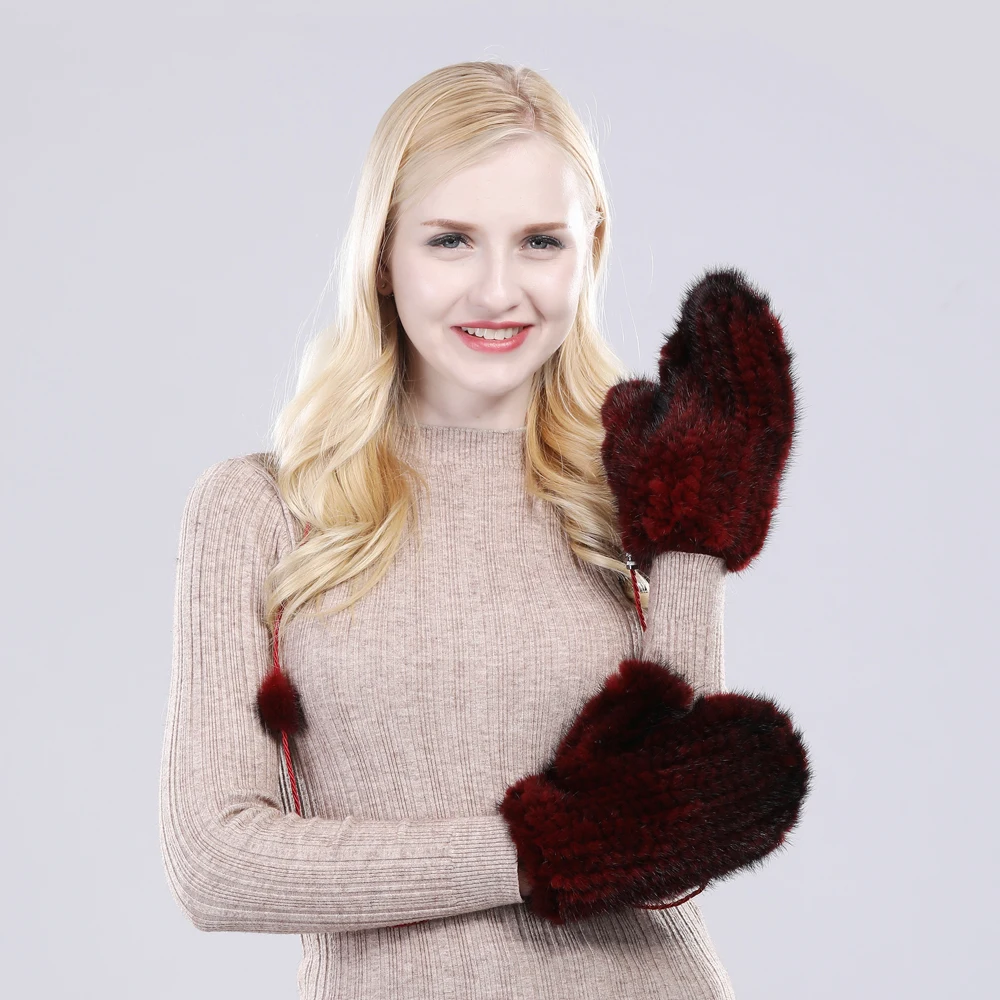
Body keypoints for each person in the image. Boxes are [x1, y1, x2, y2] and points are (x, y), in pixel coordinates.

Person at [159, 60, 808, 999]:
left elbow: (675, 843)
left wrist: (691, 545)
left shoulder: (637, 490)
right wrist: (543, 848)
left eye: (540, 241)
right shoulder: (259, 508)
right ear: (383, 256)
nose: (498, 291)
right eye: (451, 240)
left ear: (589, 250)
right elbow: (216, 864)